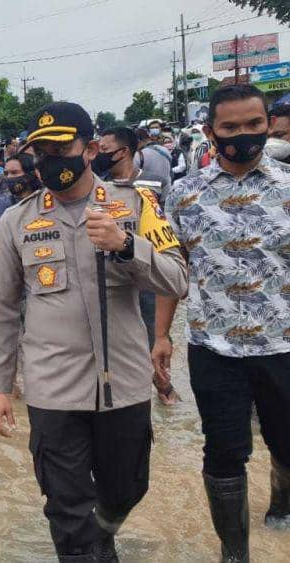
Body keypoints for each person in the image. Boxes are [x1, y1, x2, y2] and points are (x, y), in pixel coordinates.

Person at [0, 102, 188, 561]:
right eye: (42, 151)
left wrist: (125, 246)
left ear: (91, 148)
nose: (51, 159)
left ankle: (103, 533)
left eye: (62, 147)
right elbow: (0, 310)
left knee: (127, 488)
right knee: (67, 508)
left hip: (125, 385)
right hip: (52, 390)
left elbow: (178, 280)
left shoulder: (137, 205)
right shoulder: (16, 222)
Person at [156, 84, 290, 562]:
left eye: (252, 125)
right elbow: (174, 272)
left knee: (286, 443)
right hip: (214, 349)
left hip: (284, 347)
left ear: (268, 124)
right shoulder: (185, 196)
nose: (243, 135)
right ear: (211, 132)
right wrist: (160, 336)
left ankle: (282, 503)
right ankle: (235, 552)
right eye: (230, 127)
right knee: (224, 452)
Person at [92, 127, 181, 405]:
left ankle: (163, 386)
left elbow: (165, 227)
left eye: (104, 151)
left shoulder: (152, 184)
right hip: (115, 272)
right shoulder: (98, 188)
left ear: (124, 152)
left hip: (149, 267)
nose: (99, 156)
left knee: (155, 333)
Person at [134, 127, 173, 195]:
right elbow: (170, 172)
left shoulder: (140, 155)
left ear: (139, 140)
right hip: (166, 191)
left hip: (149, 195)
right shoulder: (165, 150)